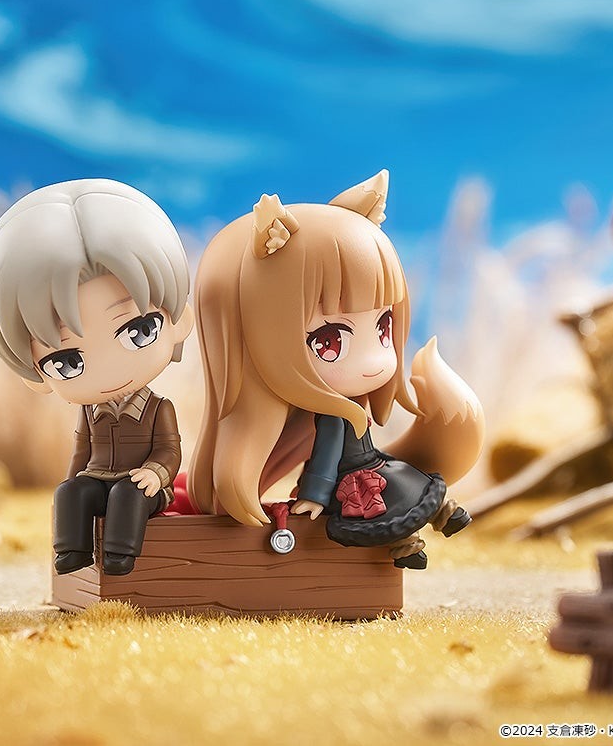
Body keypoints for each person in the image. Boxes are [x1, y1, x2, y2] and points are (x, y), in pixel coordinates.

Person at [189, 170, 484, 569]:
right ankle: (428, 527)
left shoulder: (340, 409)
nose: (373, 362)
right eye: (329, 341)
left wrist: (314, 494)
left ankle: (430, 524)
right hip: (362, 473)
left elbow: (327, 456)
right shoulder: (332, 411)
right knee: (395, 505)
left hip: (365, 471)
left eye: (383, 326)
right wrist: (314, 493)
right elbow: (325, 454)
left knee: (393, 505)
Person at [0, 179, 192, 575]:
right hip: (98, 479)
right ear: (34, 375)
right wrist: (71, 482)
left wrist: (155, 474)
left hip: (144, 489)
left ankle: (119, 557)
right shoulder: (89, 413)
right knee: (72, 492)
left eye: (139, 331)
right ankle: (72, 553)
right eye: (67, 361)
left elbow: (169, 451)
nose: (110, 370)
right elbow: (80, 454)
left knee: (127, 495)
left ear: (180, 321)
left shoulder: (158, 409)